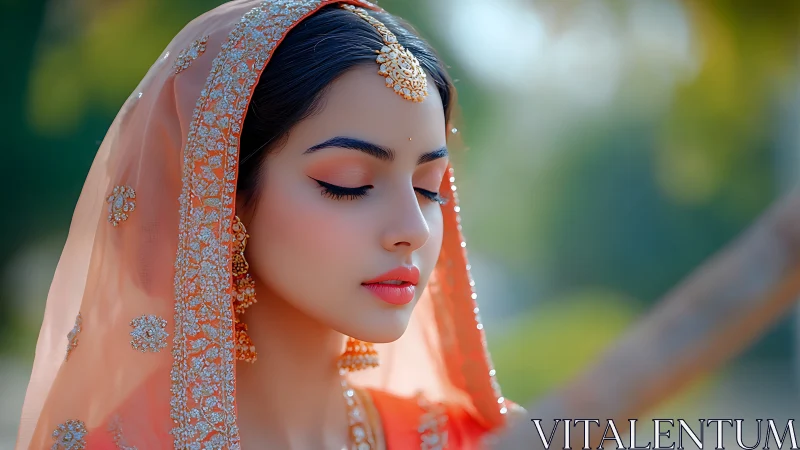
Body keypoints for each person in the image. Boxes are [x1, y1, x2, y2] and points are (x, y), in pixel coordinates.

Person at [15, 1, 526, 449]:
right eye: (348, 183)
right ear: (220, 197)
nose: (412, 228)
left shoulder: (471, 440)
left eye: (428, 187)